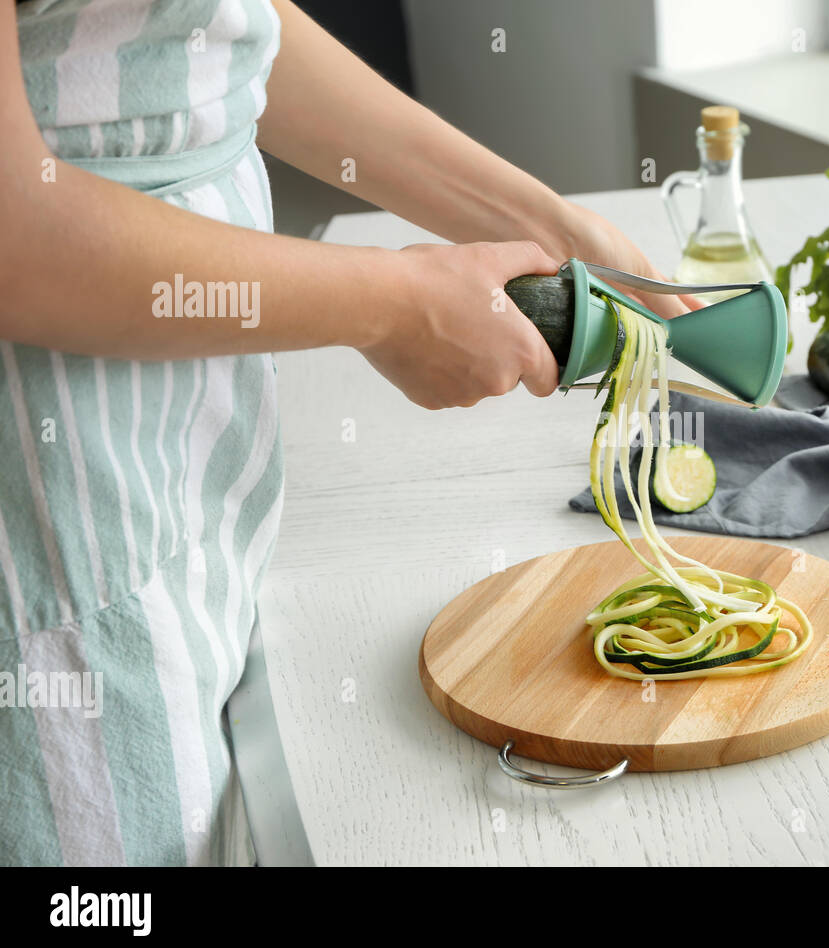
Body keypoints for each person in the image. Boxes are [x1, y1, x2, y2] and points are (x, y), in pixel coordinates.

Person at [0, 0, 691, 865]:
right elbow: (14, 234)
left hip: (179, 434)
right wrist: (397, 306)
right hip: (46, 481)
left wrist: (547, 222)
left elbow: (214, 28)